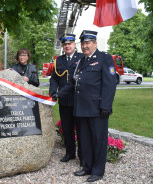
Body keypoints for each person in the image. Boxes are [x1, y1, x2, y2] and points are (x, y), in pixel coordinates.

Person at [55, 30, 117, 182]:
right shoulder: (81, 61)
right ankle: (87, 167)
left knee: (98, 140)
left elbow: (110, 84)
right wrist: (59, 94)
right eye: (82, 43)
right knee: (85, 141)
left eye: (88, 43)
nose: (85, 46)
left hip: (97, 109)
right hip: (81, 108)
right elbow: (73, 83)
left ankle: (97, 171)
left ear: (95, 43)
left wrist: (106, 106)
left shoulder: (104, 58)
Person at [49, 34, 83, 165]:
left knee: (80, 129)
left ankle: (82, 155)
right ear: (63, 46)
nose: (67, 46)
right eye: (65, 44)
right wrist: (53, 91)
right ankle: (70, 153)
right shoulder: (58, 60)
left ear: (75, 45)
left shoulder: (81, 58)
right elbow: (54, 78)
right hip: (64, 101)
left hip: (78, 100)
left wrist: (59, 93)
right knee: (67, 128)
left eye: (70, 44)